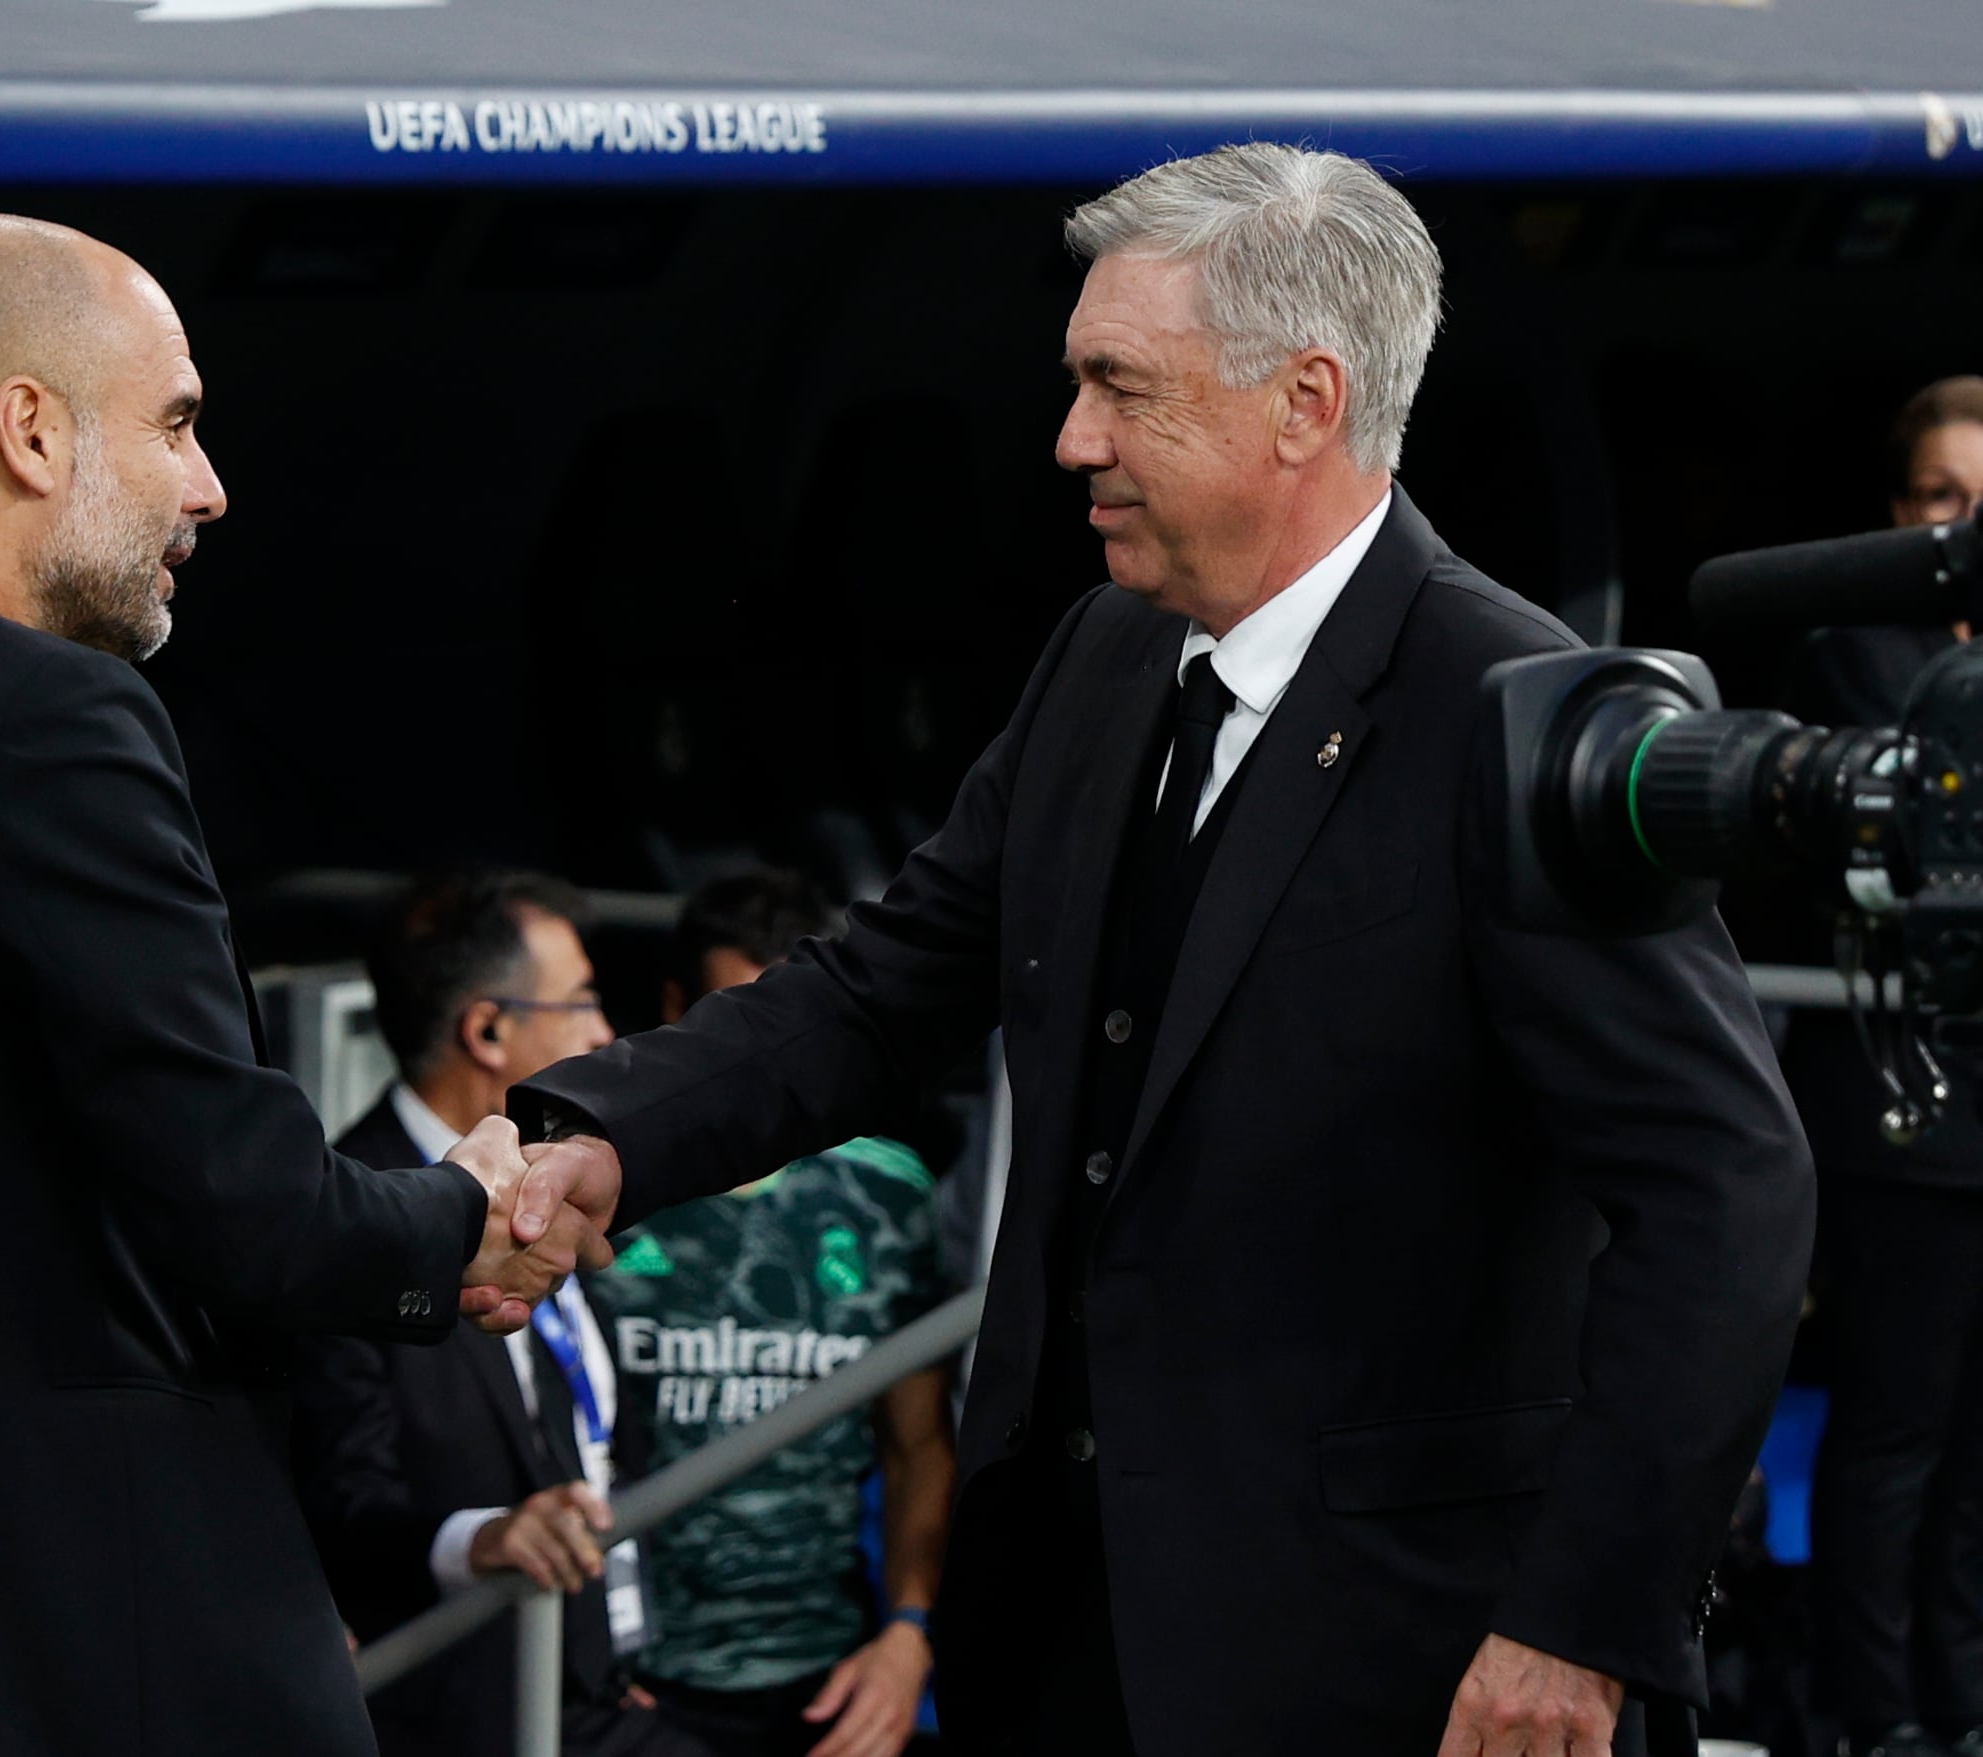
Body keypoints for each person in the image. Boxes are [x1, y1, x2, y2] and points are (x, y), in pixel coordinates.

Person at [509, 143, 1814, 1757]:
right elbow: (889, 981)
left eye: (1122, 389)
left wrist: (1581, 1620)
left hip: (1393, 1653)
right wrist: (604, 1135)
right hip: (1068, 1630)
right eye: (1077, 384)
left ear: (1305, 400)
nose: (1073, 442)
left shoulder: (1515, 711)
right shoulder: (1105, 650)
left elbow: (1729, 1190)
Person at [0, 215, 602, 1757]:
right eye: (177, 422)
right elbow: (254, 1212)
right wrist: (461, 1206)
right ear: (28, 429)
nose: (207, 486)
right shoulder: (51, 719)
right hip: (67, 1645)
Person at [291, 870, 710, 1757]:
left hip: (606, 1692)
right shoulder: (347, 1217)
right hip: (460, 1711)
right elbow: (339, 1501)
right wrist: (483, 1537)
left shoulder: (546, 1174)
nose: (606, 1033)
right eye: (582, 1001)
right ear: (487, 1029)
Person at [599, 870, 955, 1757]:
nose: (758, 1058)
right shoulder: (600, 1188)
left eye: (780, 1026)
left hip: (831, 1683)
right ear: (676, 1008)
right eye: (733, 1019)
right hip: (634, 1690)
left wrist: (911, 1634)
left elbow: (918, 1447)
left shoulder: (883, 1193)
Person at [1791, 376, 1983, 1757]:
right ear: (1898, 511)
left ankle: (1959, 1708)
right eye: (1942, 499)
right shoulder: (1854, 636)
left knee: (1977, 1457)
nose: (1967, 526)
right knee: (1890, 1438)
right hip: (1897, 1113)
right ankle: (1871, 1720)